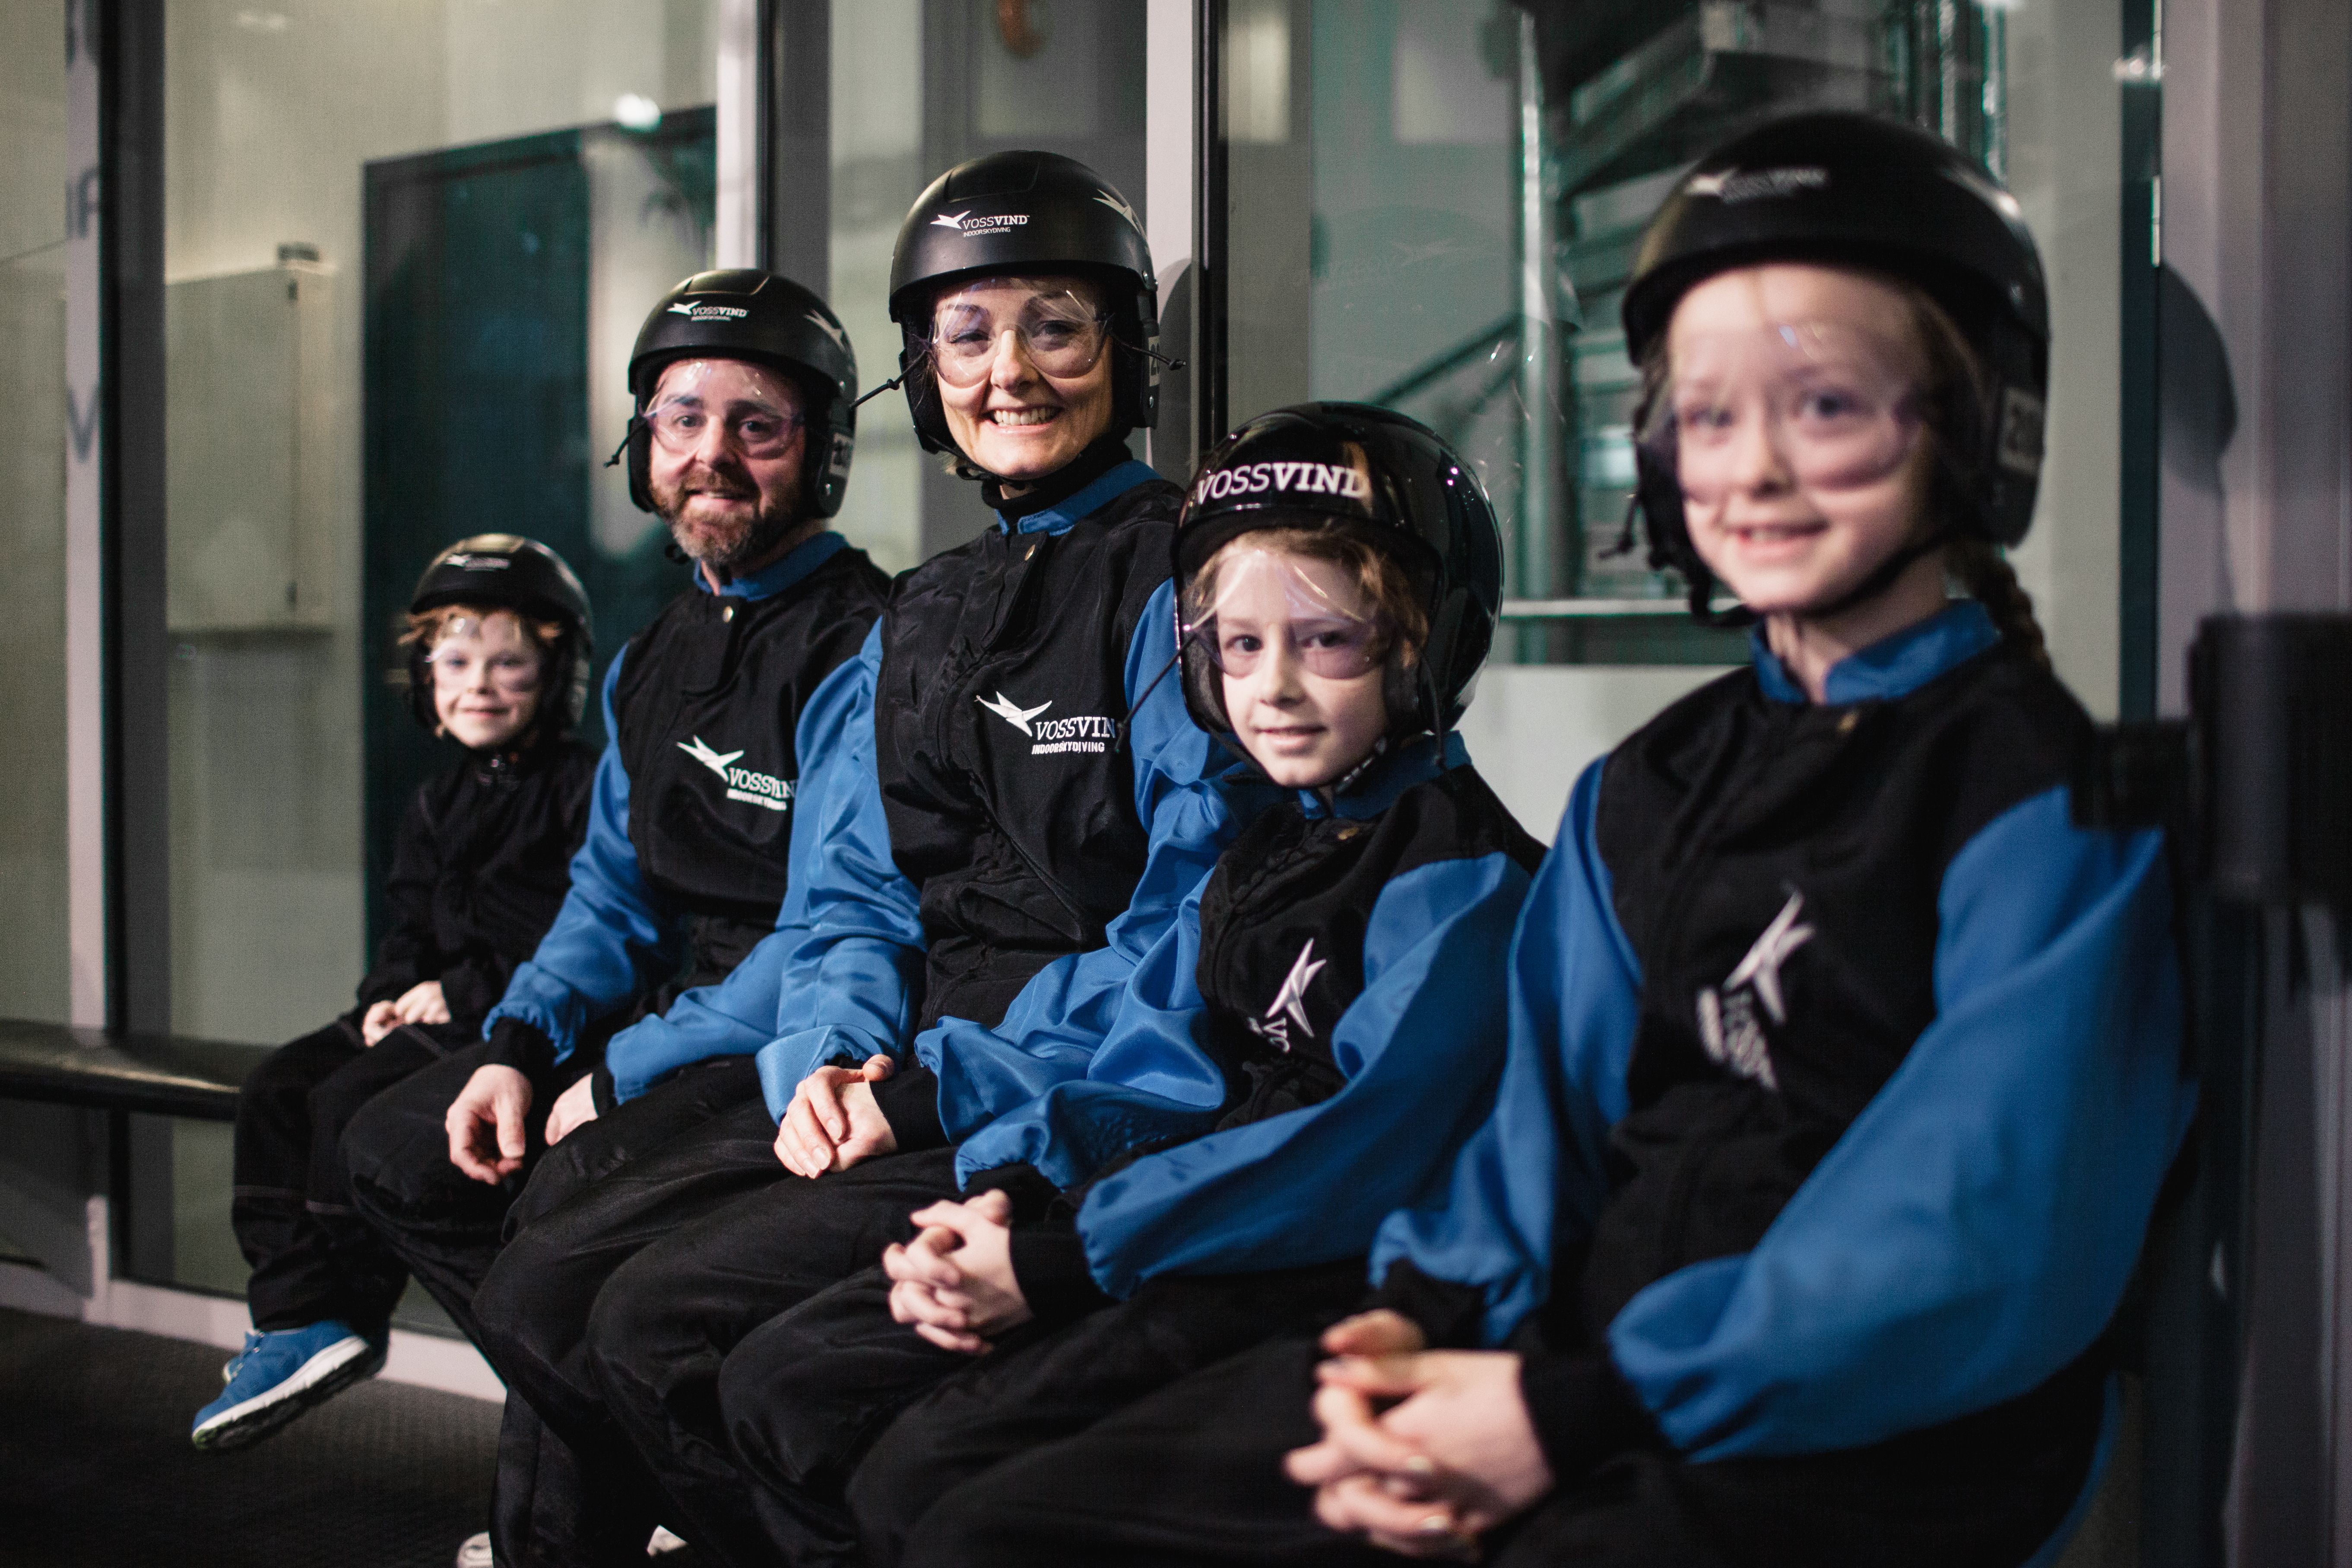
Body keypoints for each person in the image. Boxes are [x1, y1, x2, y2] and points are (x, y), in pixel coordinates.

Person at [879, 112, 2197, 1568]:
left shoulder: (2041, 795)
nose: (1750, 466)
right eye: (1704, 414)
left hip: (1858, 1446)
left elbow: (1974, 1231)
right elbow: (1537, 1137)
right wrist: (1419, 1322)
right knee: (987, 1526)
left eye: (1822, 406)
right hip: (1581, 1373)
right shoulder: (1651, 781)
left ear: (1977, 424)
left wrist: (1567, 1409)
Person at [464, 149, 1244, 1568]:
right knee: (545, 1262)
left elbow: (1189, 925)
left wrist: (935, 1080)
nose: (1006, 369)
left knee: (652, 1323)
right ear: (920, 365)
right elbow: (854, 896)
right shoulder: (924, 607)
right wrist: (826, 1057)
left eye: (1052, 327)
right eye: (966, 332)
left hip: (1061, 1088)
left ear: (1125, 352)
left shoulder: (1185, 577)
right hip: (899, 1077)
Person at [702, 403, 1542, 1568]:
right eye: (1238, 647)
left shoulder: (1460, 887)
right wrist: (1009, 1189)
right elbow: (1158, 1063)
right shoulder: (1266, 848)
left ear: (1425, 642)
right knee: (783, 1383)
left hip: (1305, 1275)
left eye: (1328, 640)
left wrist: (1059, 1257)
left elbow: (1347, 1152)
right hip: (1151, 1227)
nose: (1274, 689)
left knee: (926, 1485)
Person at [332, 269, 889, 1557]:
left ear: (821, 452)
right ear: (642, 445)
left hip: (784, 1024)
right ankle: (639, 1449)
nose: (710, 455)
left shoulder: (866, 640)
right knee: (394, 1149)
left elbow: (837, 926)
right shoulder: (651, 658)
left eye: (757, 425)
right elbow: (607, 895)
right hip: (663, 1004)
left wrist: (620, 1072)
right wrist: (523, 1044)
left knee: (559, 1226)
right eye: (680, 419)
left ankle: (590, 1520)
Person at [189, 536, 597, 1452]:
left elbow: (565, 937)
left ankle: (341, 1301)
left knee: (346, 1103)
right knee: (281, 1086)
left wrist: (451, 991)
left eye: (509, 663)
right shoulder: (434, 800)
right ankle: (293, 1312)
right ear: (423, 677)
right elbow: (408, 921)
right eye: (455, 662)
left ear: (555, 674)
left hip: (507, 1020)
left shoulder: (578, 788)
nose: (480, 685)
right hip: (428, 1007)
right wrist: (384, 993)